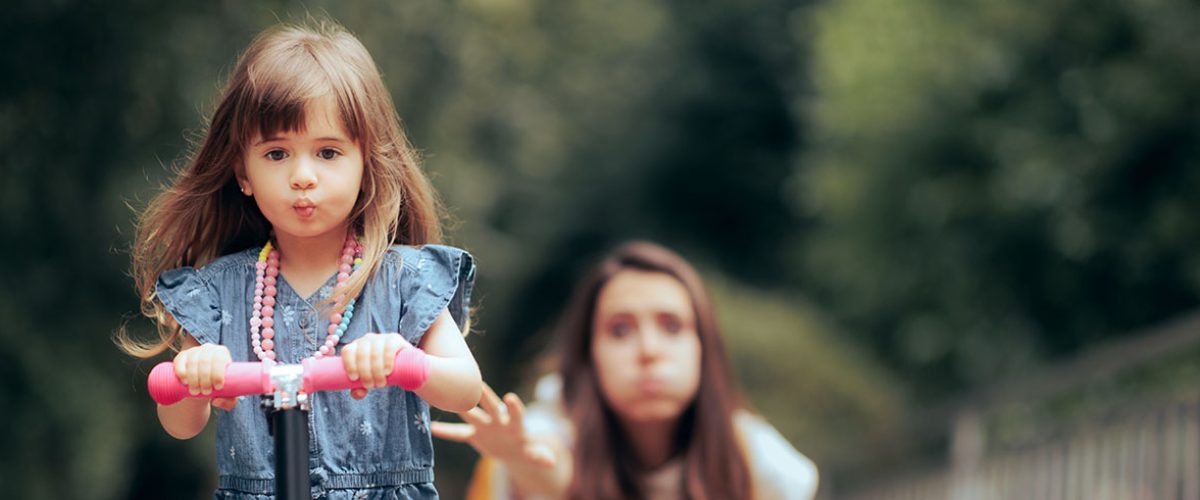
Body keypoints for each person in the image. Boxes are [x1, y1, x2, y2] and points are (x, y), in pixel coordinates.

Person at [116, 22, 482, 500]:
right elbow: (180, 425)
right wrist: (194, 375)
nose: (303, 176)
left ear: (365, 164)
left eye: (328, 152)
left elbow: (466, 388)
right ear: (243, 173)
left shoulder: (404, 281)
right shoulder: (221, 293)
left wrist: (405, 360)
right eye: (276, 154)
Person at [432, 242, 818, 499]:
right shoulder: (550, 426)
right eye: (620, 330)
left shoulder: (751, 456)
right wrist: (520, 458)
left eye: (672, 326)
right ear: (590, 355)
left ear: (704, 348)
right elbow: (551, 469)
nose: (649, 350)